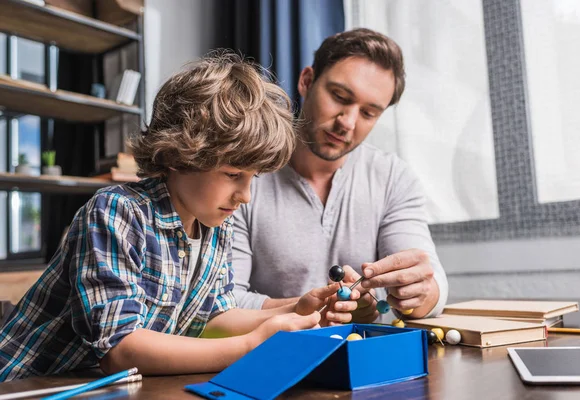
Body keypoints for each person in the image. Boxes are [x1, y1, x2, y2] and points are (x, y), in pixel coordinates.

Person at [0, 52, 359, 382]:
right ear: (179, 154)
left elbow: (210, 321)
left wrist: (293, 311)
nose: (245, 196)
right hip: (23, 384)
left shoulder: (215, 225)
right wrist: (252, 345)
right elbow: (120, 350)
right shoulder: (117, 213)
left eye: (253, 179)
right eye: (233, 175)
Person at [233, 29, 448, 322]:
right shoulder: (244, 172)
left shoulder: (392, 178)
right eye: (339, 97)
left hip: (367, 359)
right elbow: (223, 299)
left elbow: (431, 288)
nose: (347, 122)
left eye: (369, 113)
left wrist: (421, 292)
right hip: (272, 358)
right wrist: (315, 308)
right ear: (307, 81)